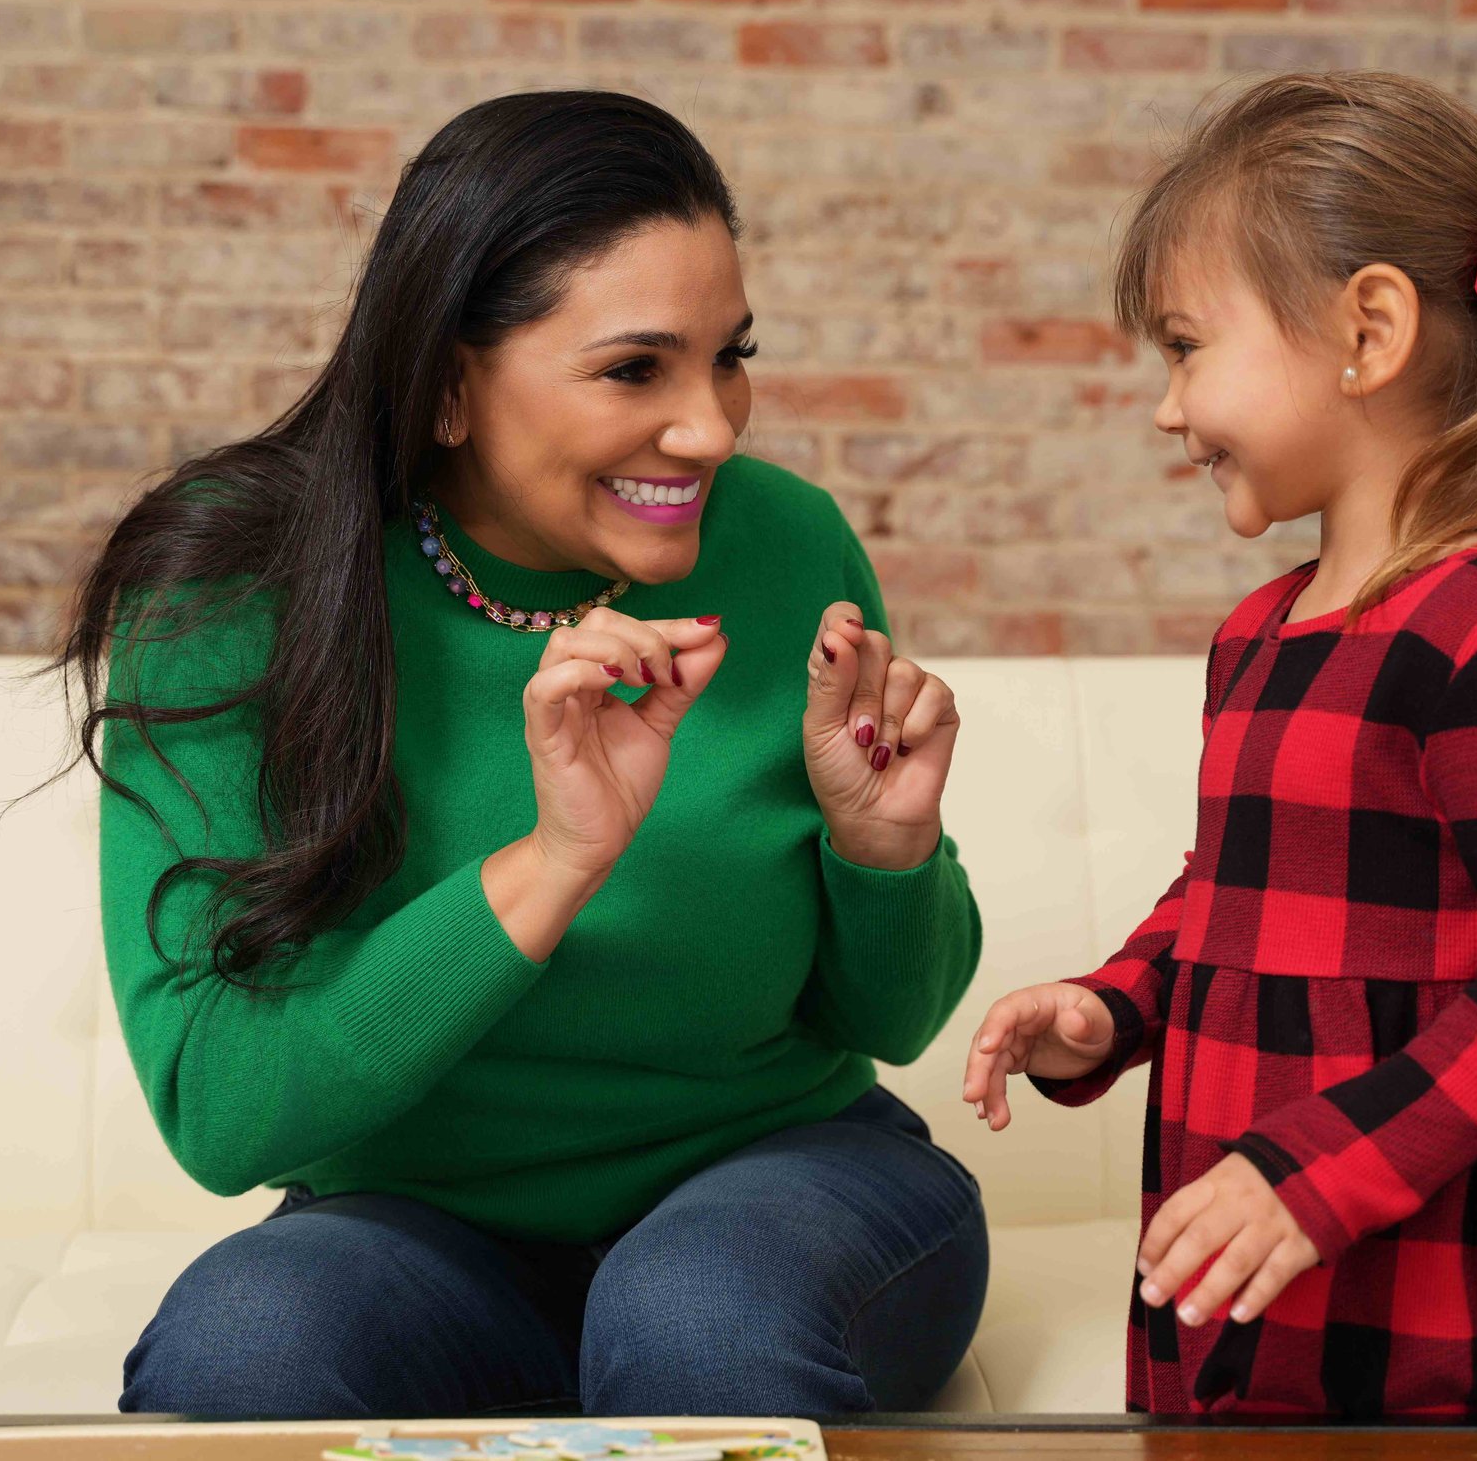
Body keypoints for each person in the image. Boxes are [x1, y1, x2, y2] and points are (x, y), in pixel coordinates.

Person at [52, 90, 988, 1418]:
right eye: (634, 369)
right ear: (446, 382)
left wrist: (885, 854)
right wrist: (554, 862)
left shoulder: (787, 544)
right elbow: (222, 1115)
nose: (713, 427)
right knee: (238, 1346)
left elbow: (889, 1020)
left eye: (730, 356)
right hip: (420, 1234)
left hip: (784, 1185)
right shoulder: (228, 594)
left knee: (694, 1321)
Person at [961, 70, 1477, 1418]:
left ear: (1369, 331)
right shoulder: (1263, 633)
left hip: (1431, 1362)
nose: (1167, 408)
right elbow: (1236, 897)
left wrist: (1320, 1173)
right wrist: (1110, 1007)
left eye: (1184, 347)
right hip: (1241, 1326)